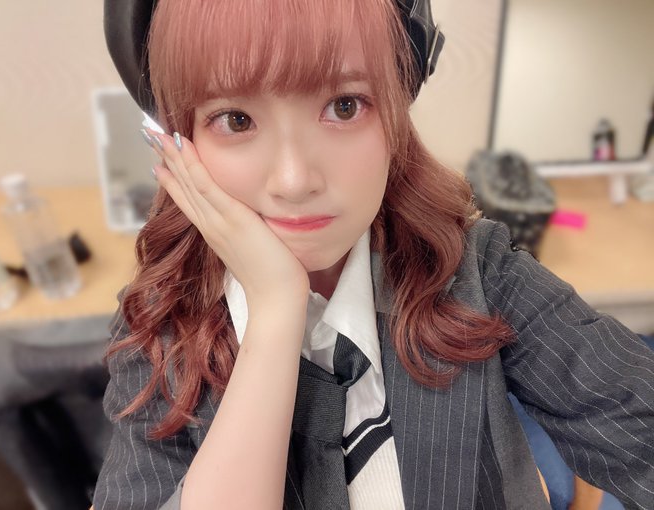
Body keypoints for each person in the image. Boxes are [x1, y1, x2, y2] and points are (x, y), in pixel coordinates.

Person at [93, 1, 654, 509]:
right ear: (181, 140)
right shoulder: (161, 328)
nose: (294, 181)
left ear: (394, 113)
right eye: (236, 119)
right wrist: (275, 310)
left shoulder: (477, 271)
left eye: (344, 106)